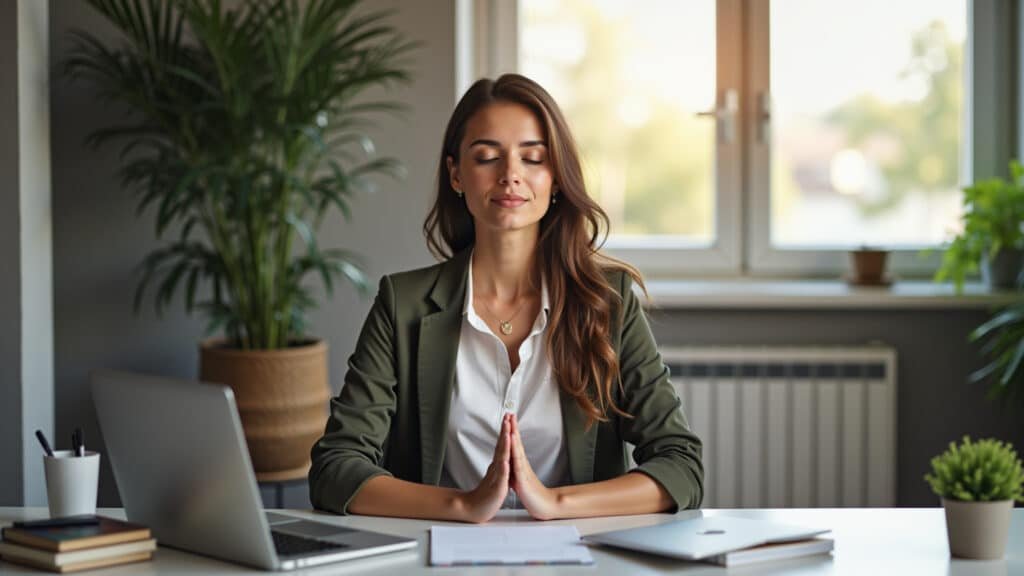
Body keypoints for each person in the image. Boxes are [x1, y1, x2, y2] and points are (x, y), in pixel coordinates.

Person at [309, 74, 703, 523]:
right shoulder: (403, 303)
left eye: (533, 157)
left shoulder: (608, 302)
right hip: (436, 555)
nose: (511, 174)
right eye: (488, 157)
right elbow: (335, 468)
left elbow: (681, 465)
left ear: (556, 178)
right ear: (456, 174)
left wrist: (554, 503)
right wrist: (464, 504)